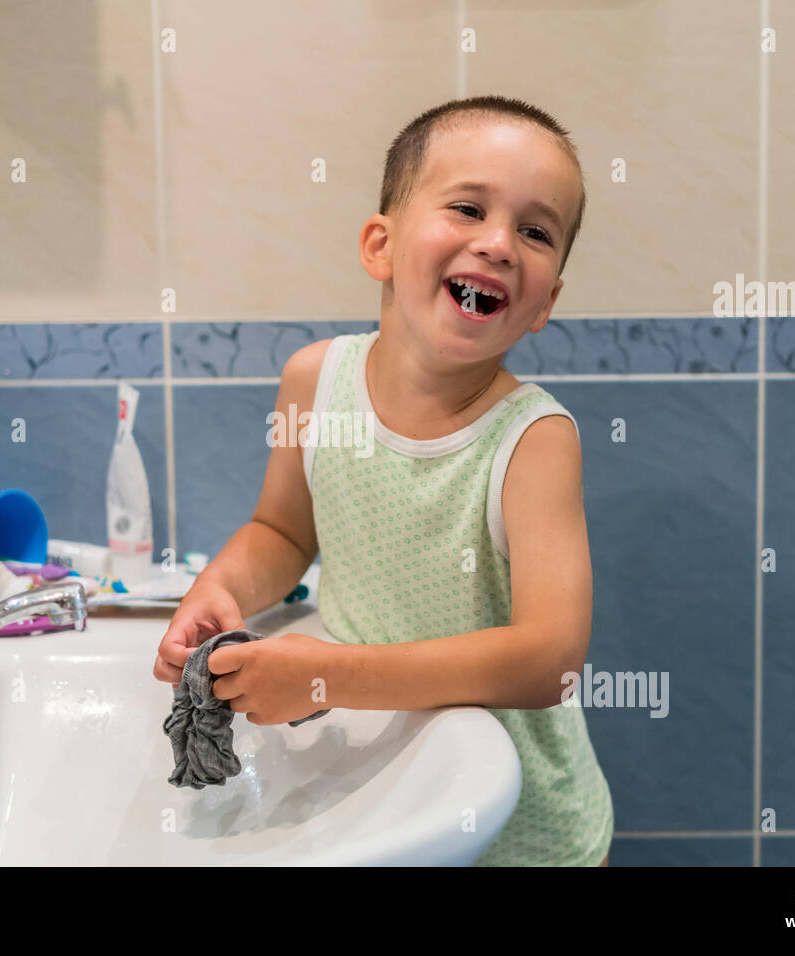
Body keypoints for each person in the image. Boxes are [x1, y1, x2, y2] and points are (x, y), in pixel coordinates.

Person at [155, 95, 612, 867]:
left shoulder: (533, 441)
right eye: (468, 208)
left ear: (546, 303)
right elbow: (283, 533)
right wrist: (223, 588)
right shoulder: (313, 383)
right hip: (378, 780)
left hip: (525, 830)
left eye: (536, 232)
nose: (499, 243)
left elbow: (550, 660)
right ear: (380, 245)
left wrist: (328, 678)